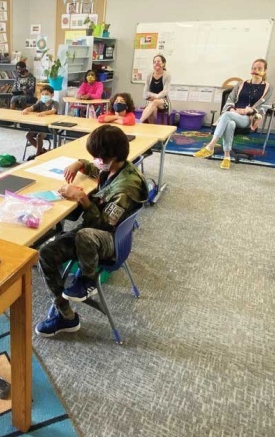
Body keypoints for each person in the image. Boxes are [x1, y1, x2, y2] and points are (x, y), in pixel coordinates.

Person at [35, 125, 148, 337]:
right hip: (96, 234)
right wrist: (80, 163)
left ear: (111, 156)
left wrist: (83, 199)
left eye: (98, 156)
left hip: (109, 240)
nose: (96, 159)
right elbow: (98, 170)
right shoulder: (116, 168)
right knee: (46, 253)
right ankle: (66, 317)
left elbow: (103, 226)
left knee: (83, 235)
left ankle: (87, 279)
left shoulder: (126, 187)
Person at [193, 58, 273, 170]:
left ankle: (210, 146)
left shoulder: (268, 88)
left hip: (248, 118)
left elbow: (265, 106)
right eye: (254, 68)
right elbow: (230, 99)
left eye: (259, 68)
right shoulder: (241, 84)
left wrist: (250, 110)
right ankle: (227, 157)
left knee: (226, 116)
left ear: (265, 71)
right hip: (233, 113)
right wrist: (232, 109)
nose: (256, 70)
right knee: (230, 123)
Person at [22, 84, 58, 157]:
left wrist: (44, 113)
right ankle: (42, 151)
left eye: (47, 94)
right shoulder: (40, 102)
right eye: (43, 94)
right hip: (39, 126)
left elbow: (53, 111)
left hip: (49, 128)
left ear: (52, 95)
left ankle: (37, 155)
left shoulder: (55, 103)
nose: (44, 96)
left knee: (39, 136)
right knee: (28, 135)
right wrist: (26, 109)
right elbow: (32, 107)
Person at [138, 55, 172, 124]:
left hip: (163, 101)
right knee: (154, 109)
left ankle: (140, 121)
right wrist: (152, 96)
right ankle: (152, 127)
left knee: (155, 102)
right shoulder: (149, 75)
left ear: (163, 64)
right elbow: (145, 93)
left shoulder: (167, 75)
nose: (156, 63)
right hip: (151, 100)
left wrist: (156, 97)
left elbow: (165, 91)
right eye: (154, 62)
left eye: (158, 61)